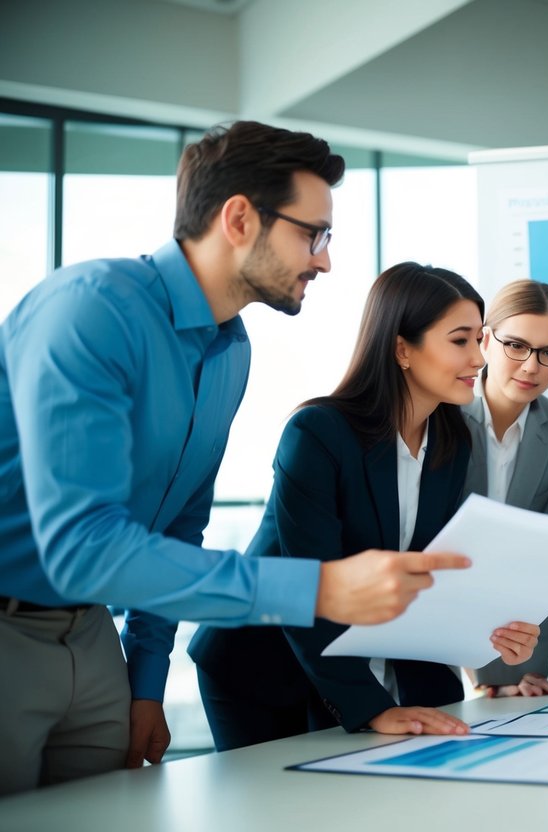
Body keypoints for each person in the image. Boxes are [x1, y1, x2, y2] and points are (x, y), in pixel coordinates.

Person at [0, 123, 466, 795]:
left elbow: (178, 523)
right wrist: (320, 588)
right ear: (241, 218)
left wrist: (145, 681)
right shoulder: (91, 309)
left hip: (92, 638)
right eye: (314, 234)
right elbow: (82, 545)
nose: (325, 260)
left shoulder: (230, 350)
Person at [190, 263, 540, 749]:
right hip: (269, 667)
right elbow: (305, 591)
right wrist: (372, 707)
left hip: (374, 656)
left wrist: (489, 632)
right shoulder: (317, 434)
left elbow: (424, 575)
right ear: (402, 349)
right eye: (460, 340)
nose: (479, 359)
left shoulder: (452, 440)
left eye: (480, 340)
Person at [463, 279, 548, 698]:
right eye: (516, 346)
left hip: (512, 647)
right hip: (434, 637)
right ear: (486, 341)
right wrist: (469, 668)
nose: (532, 366)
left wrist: (526, 669)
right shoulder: (442, 414)